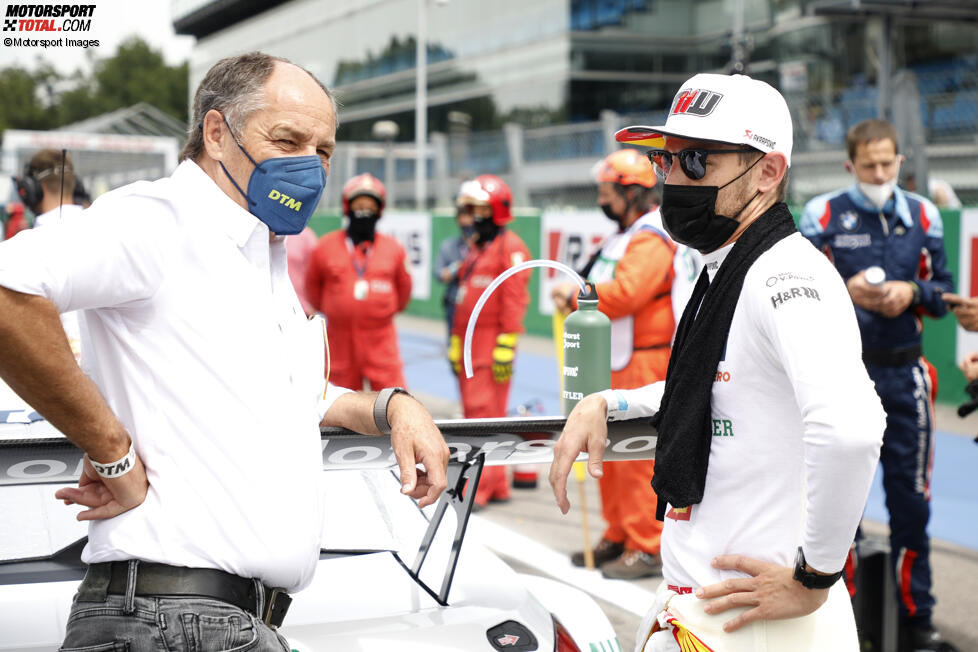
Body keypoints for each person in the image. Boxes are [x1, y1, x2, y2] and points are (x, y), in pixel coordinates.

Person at [0, 52, 448, 652]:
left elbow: (296, 395)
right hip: (169, 619)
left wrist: (394, 407)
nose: (309, 166)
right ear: (217, 132)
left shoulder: (258, 251)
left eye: (323, 151)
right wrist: (110, 452)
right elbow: (8, 290)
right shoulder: (158, 220)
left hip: (218, 622)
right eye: (286, 139)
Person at [548, 73, 884, 651]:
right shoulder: (727, 265)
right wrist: (611, 401)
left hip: (756, 625)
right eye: (666, 160)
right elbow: (720, 387)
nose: (673, 179)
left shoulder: (785, 274)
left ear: (768, 172)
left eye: (697, 161)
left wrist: (815, 577)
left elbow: (851, 430)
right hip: (707, 610)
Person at [800, 118, 954, 651]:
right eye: (870, 165)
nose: (881, 172)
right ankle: (839, 625)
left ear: (900, 161)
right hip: (843, 373)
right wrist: (844, 290)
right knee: (840, 509)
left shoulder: (924, 214)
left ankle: (918, 621)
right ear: (851, 166)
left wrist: (911, 293)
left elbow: (945, 292)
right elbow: (800, 288)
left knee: (912, 503)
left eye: (889, 163)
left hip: (906, 373)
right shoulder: (822, 214)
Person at [550, 149, 689, 580]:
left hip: (643, 361)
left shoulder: (651, 236)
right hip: (618, 355)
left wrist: (575, 297)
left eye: (608, 192)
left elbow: (629, 291)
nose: (602, 199)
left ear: (633, 193)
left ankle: (646, 542)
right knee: (607, 452)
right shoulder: (624, 235)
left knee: (634, 459)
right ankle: (620, 531)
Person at [448, 174, 531, 507]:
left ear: (495, 211)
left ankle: (479, 489)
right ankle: (495, 485)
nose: (471, 217)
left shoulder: (509, 248)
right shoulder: (478, 249)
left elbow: (514, 300)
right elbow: (464, 300)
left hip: (489, 346)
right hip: (471, 345)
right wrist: (457, 342)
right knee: (481, 415)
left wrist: (505, 345)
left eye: (477, 209)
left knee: (482, 419)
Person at [306, 173, 412, 390]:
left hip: (381, 341)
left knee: (392, 401)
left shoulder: (393, 248)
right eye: (359, 205)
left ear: (379, 210)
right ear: (347, 207)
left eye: (370, 206)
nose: (364, 211)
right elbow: (313, 288)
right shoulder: (326, 246)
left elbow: (404, 291)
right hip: (339, 341)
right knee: (338, 405)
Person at [435, 204, 475, 341]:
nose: (467, 221)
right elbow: (439, 273)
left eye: (470, 216)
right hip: (454, 305)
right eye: (463, 216)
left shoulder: (486, 247)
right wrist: (456, 268)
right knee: (454, 349)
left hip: (479, 305)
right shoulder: (449, 246)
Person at [287, 226, 321, 316]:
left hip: (302, 310)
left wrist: (312, 308)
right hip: (271, 309)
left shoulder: (306, 236)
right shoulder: (264, 232)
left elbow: (318, 275)